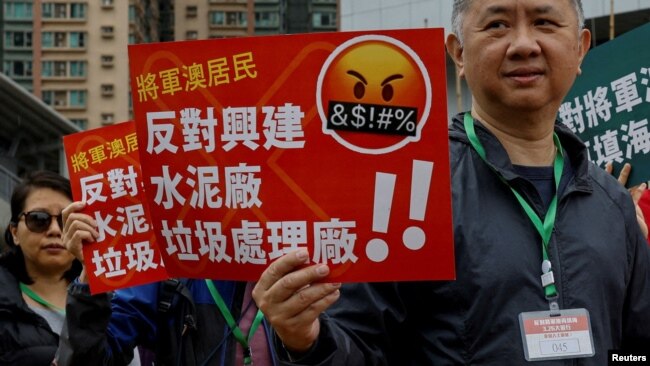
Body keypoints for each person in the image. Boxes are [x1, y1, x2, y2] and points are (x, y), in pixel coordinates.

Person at [253, 0, 650, 365]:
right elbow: (358, 347)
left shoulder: (612, 204)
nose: (524, 44)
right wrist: (306, 339)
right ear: (458, 53)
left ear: (581, 48)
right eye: (497, 25)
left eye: (544, 22)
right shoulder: (409, 192)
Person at [55, 200, 278, 365]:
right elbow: (90, 359)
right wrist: (92, 273)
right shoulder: (162, 267)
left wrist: (305, 343)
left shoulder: (305, 260)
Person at [0, 171, 83, 365]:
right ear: (14, 233)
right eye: (38, 219)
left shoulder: (111, 297)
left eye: (66, 220)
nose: (54, 230)